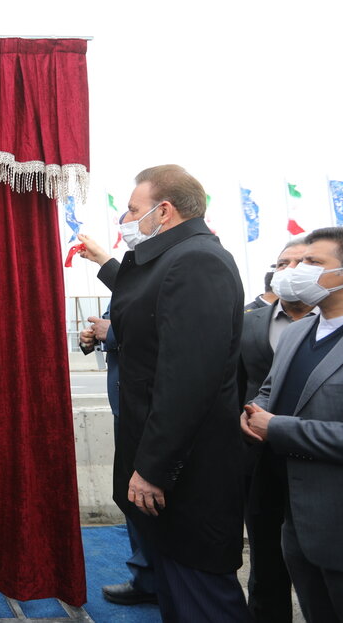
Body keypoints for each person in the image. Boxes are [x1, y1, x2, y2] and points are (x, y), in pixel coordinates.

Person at [104, 165, 248, 621]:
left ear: (163, 211)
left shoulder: (196, 261)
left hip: (187, 476)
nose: (125, 219)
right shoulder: (170, 259)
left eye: (133, 209)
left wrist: (153, 468)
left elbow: (189, 379)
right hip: (168, 472)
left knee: (201, 597)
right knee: (176, 596)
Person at [241, 227, 343, 622]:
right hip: (294, 521)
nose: (295, 270)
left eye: (312, 262)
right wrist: (252, 414)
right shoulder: (300, 331)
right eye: (294, 262)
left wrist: (277, 428)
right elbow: (269, 392)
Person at [77, 233, 158, 606]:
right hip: (125, 406)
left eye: (133, 209)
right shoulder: (129, 289)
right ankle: (146, 576)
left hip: (152, 410)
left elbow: (146, 330)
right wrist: (93, 337)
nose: (128, 220)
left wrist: (115, 333)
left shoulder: (169, 279)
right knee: (132, 496)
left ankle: (160, 578)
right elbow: (116, 330)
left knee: (150, 496)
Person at [238, 239, 316, 622]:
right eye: (283, 263)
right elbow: (238, 390)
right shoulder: (247, 322)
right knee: (267, 564)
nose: (290, 271)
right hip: (261, 463)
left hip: (325, 466)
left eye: (303, 262)